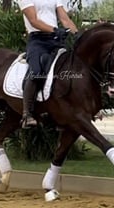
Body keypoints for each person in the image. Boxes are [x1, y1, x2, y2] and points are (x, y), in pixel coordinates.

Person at [17, 0, 78, 128]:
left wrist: (77, 35)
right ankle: (27, 114)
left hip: (55, 40)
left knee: (70, 68)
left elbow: (65, 19)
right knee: (36, 72)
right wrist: (55, 30)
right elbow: (33, 21)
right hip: (37, 41)